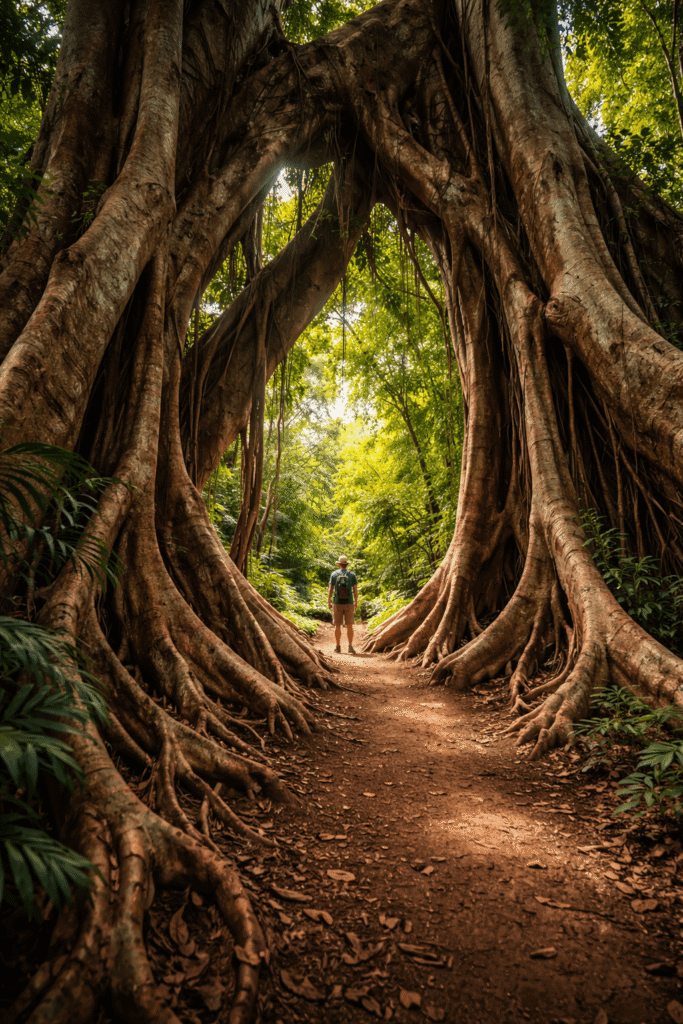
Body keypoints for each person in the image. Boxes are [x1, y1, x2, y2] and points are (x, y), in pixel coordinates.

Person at [328, 554, 358, 654]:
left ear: (339, 565)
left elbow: (330, 589)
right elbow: (355, 589)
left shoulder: (334, 574)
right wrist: (356, 601)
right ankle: (350, 646)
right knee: (349, 625)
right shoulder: (352, 575)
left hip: (337, 602)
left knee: (337, 625)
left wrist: (329, 601)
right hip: (349, 602)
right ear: (347, 565)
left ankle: (338, 647)